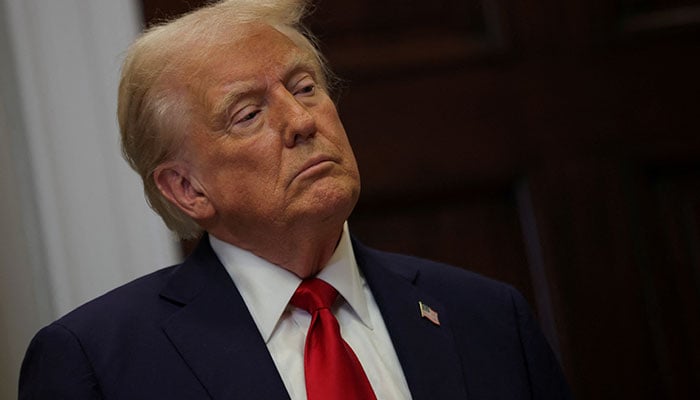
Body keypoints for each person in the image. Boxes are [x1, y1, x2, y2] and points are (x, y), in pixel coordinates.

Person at [19, 0, 571, 398]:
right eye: (249, 113)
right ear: (187, 189)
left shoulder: (487, 317)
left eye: (305, 87)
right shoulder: (95, 363)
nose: (302, 120)